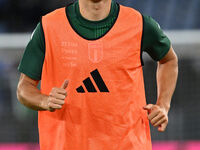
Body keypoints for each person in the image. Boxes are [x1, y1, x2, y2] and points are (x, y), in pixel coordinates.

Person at [17, 0, 178, 149]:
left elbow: (168, 60)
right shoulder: (49, 26)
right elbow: (24, 88)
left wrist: (163, 105)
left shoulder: (140, 24)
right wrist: (45, 101)